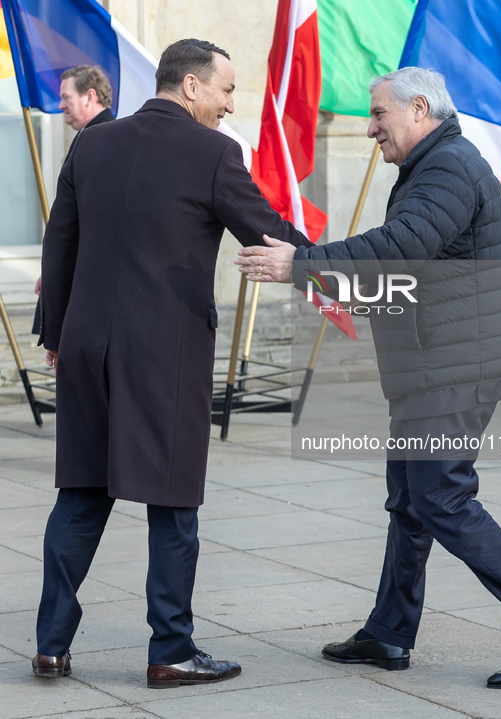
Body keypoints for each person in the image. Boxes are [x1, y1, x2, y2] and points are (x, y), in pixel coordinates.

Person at [235, 67, 501, 688]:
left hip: (452, 371)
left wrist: (303, 265)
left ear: (419, 109)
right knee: (410, 504)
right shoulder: (435, 167)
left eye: (378, 115)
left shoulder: (447, 168)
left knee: (440, 498)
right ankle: (389, 633)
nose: (370, 129)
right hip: (433, 369)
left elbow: (401, 248)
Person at [33, 39, 310, 688]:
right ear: (190, 87)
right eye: (225, 89)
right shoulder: (213, 152)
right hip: (166, 352)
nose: (230, 103)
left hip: (85, 346)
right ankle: (171, 649)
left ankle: (50, 645)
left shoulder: (91, 146)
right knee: (173, 504)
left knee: (79, 495)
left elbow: (59, 245)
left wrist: (57, 333)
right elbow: (266, 232)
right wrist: (346, 266)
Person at [32, 65, 115, 332]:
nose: (60, 105)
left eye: (66, 98)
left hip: (89, 287)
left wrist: (59, 271)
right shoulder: (89, 137)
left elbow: (91, 221)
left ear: (90, 96)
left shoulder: (104, 139)